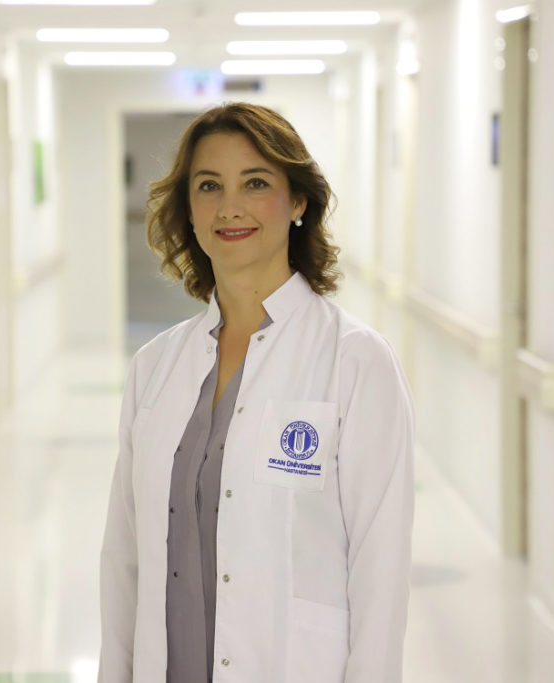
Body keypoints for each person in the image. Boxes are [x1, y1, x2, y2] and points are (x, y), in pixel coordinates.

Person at [98, 102, 414, 683]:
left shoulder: (354, 361)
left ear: (298, 202)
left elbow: (381, 567)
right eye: (209, 186)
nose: (230, 207)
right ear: (189, 210)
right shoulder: (155, 367)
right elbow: (124, 559)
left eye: (256, 183)